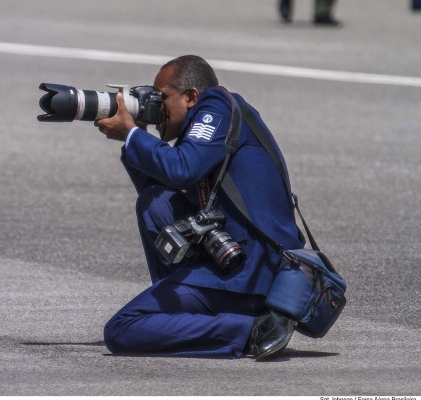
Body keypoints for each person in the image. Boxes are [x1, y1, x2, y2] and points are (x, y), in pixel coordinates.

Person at [94, 55, 304, 360]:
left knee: (122, 329)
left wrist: (132, 135)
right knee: (155, 202)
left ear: (191, 96)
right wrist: (133, 138)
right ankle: (189, 310)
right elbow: (165, 185)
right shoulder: (201, 133)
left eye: (161, 98)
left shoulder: (216, 104)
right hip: (234, 263)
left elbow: (181, 169)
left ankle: (255, 330)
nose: (156, 109)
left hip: (254, 274)